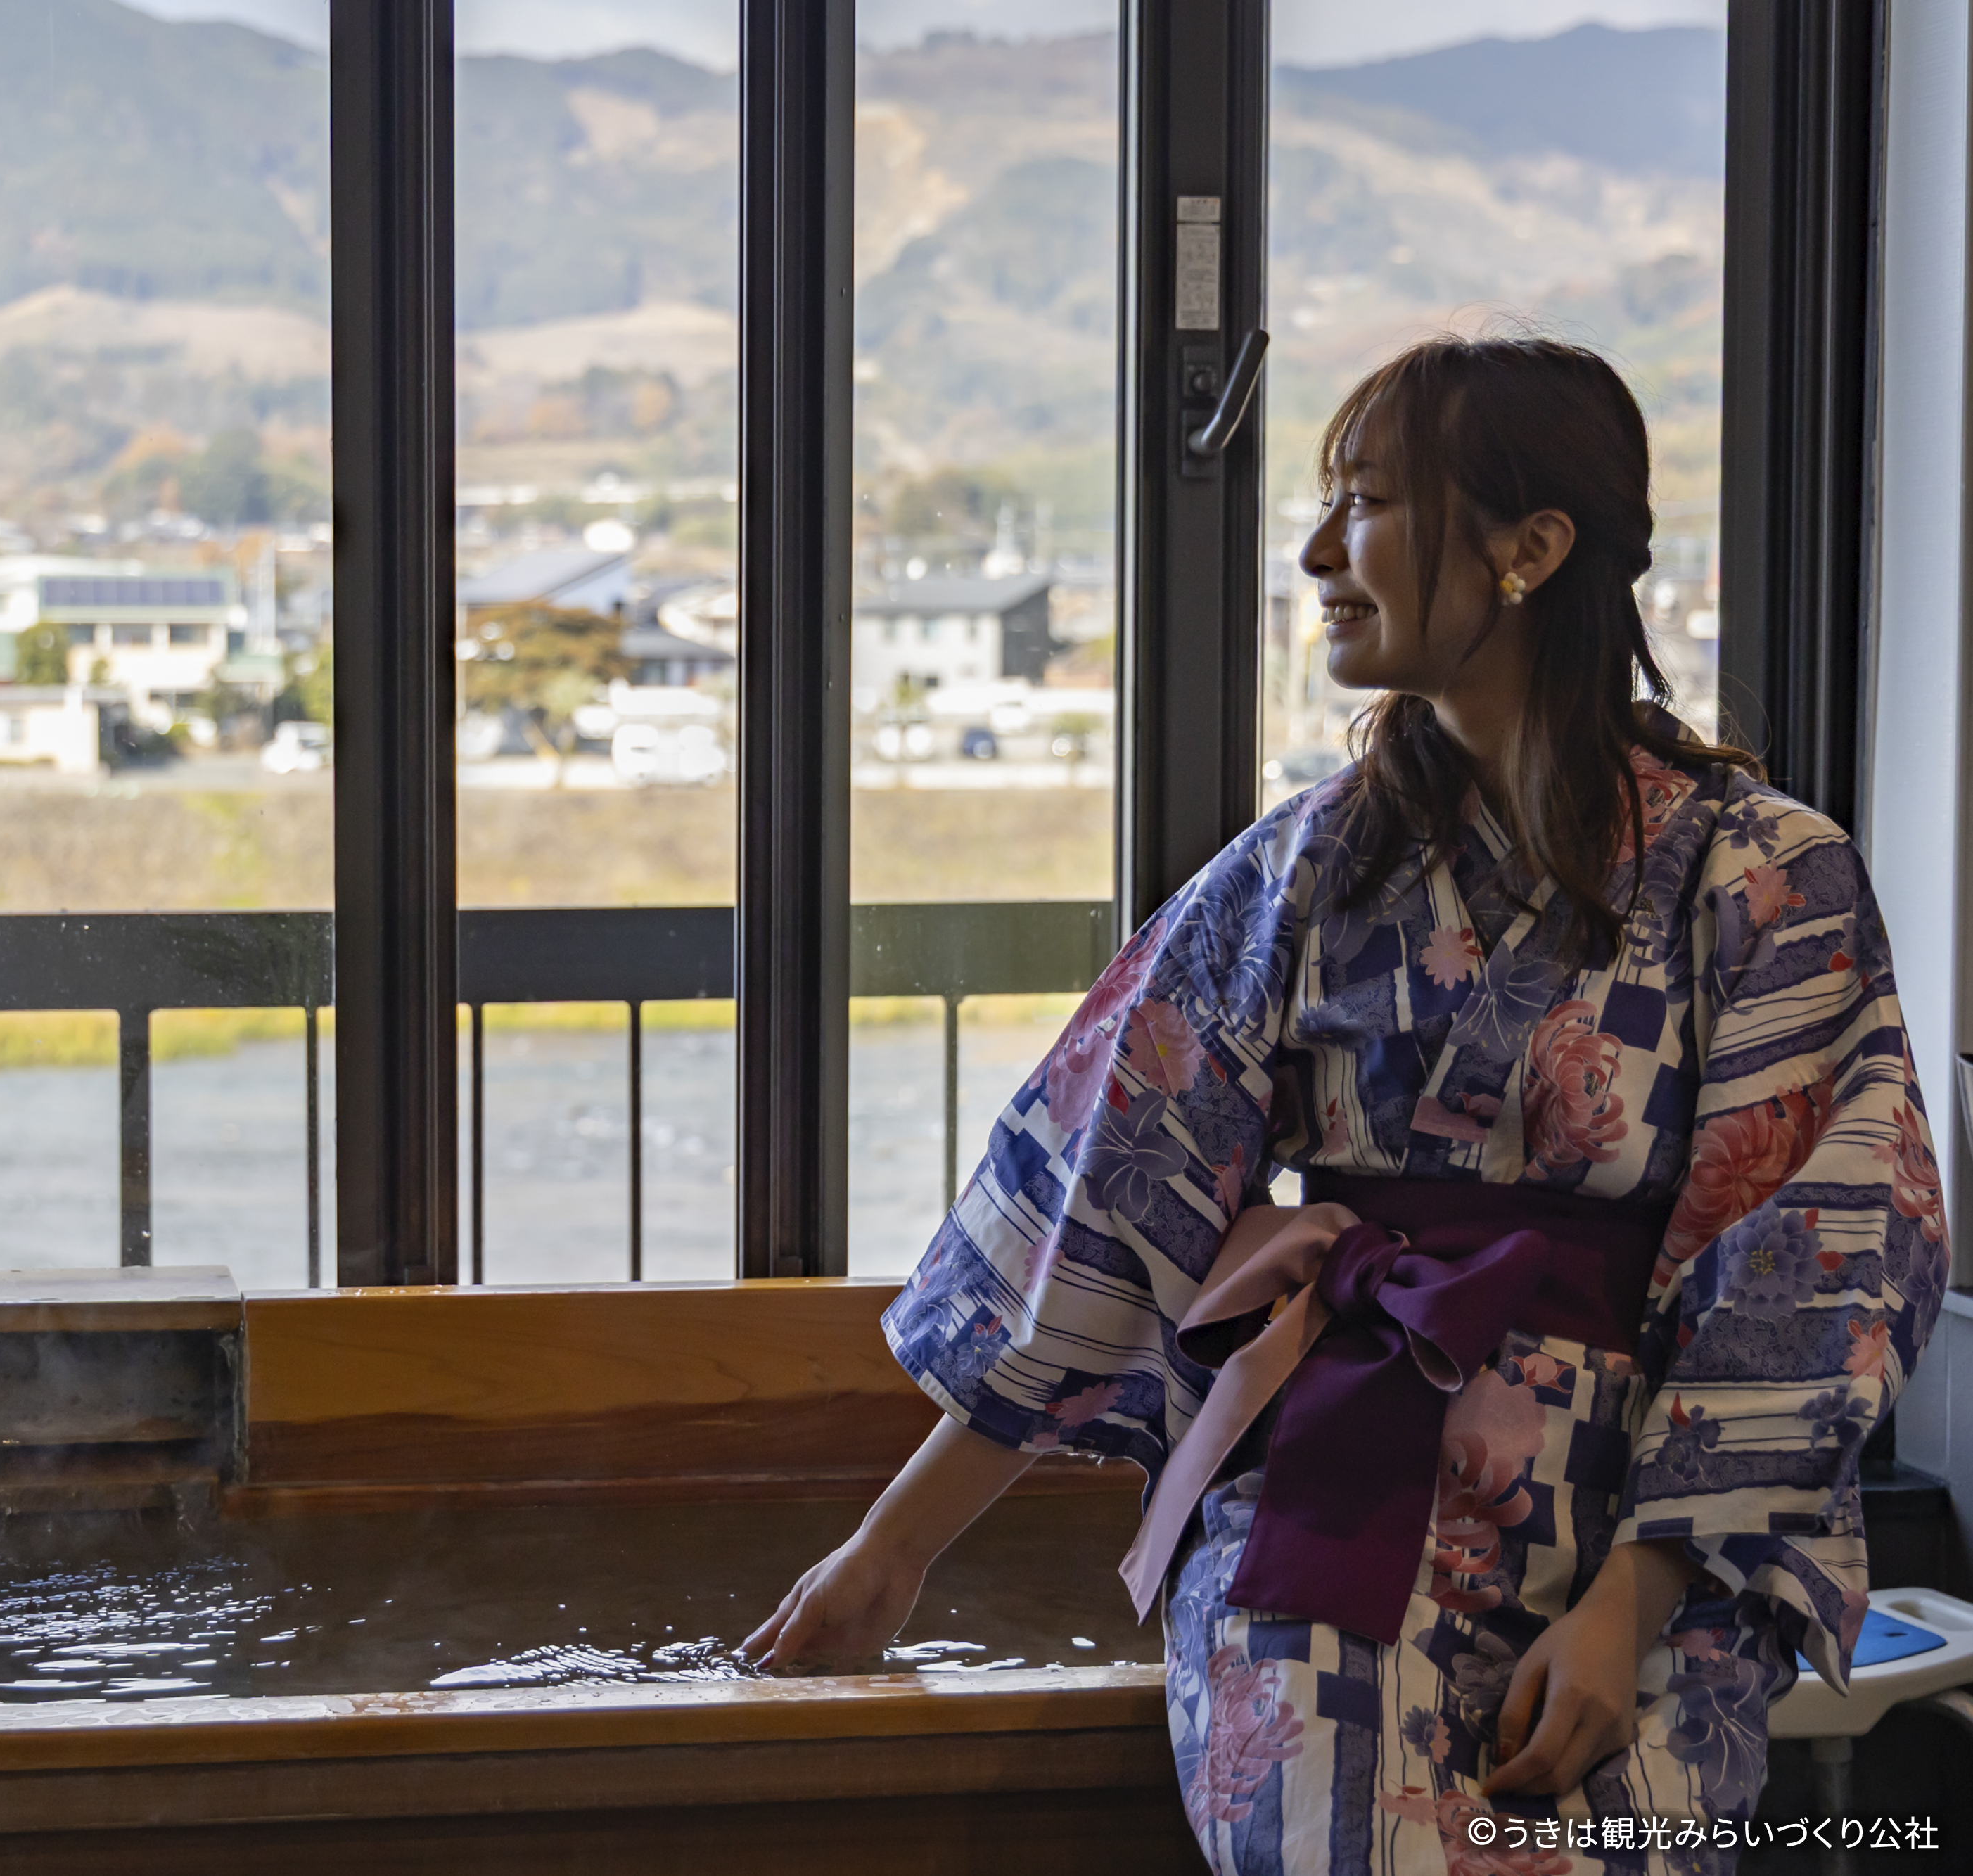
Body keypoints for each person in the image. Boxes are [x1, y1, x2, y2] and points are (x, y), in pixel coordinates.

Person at [743, 336, 1949, 1874]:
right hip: (1330, 1494)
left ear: (1529, 548)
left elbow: (1816, 1258)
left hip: (1652, 1539)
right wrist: (886, 1554)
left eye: (1366, 502)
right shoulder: (1303, 868)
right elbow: (1104, 1202)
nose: (1316, 552)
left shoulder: (1763, 874)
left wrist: (1627, 1600)